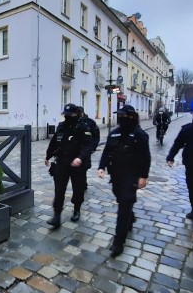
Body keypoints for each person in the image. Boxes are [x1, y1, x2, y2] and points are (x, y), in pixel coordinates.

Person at [97, 105, 150, 257]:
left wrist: (143, 176)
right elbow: (106, 151)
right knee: (121, 199)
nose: (122, 119)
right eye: (120, 116)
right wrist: (101, 167)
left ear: (132, 117)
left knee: (124, 203)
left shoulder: (139, 135)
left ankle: (118, 241)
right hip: (116, 175)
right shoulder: (114, 133)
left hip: (131, 175)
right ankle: (130, 216)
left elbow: (145, 157)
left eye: (124, 116)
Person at [45, 103, 96, 227]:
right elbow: (54, 141)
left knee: (78, 189)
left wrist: (80, 158)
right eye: (66, 115)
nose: (68, 116)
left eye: (71, 114)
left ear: (77, 114)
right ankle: (57, 216)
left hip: (78, 164)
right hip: (62, 162)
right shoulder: (61, 126)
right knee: (59, 190)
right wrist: (48, 156)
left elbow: (89, 145)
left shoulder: (83, 127)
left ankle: (76, 209)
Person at [77, 106, 100, 190]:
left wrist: (93, 148)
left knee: (84, 167)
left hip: (86, 149)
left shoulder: (90, 122)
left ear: (82, 113)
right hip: (76, 150)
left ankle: (83, 184)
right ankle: (80, 184)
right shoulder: (74, 121)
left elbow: (96, 135)